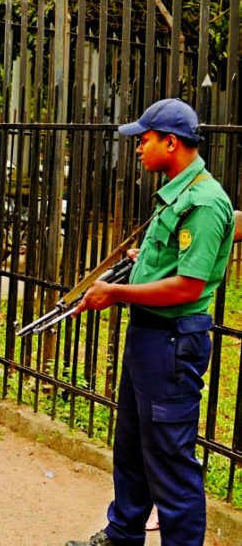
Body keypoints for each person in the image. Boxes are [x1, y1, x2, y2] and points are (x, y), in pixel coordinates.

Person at [66, 99, 235, 546]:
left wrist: (116, 292)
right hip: (149, 339)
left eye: (144, 141)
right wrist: (144, 264)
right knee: (132, 451)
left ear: (171, 142)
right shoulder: (177, 192)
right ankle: (124, 534)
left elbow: (188, 287)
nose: (138, 150)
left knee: (169, 461)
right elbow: (174, 264)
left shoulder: (204, 201)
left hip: (172, 344)